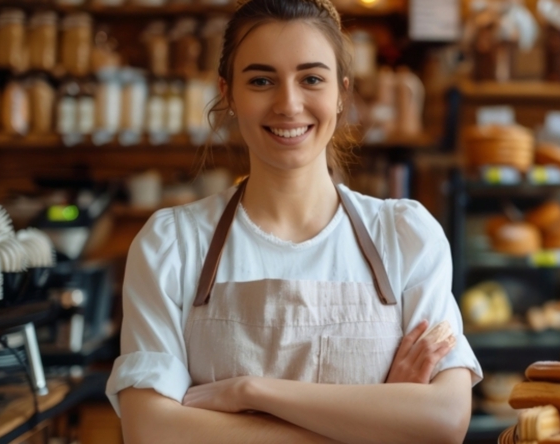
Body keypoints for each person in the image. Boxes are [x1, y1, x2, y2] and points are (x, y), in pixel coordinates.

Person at [104, 0, 483, 442]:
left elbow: (444, 421)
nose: (288, 104)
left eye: (312, 79)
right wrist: (377, 424)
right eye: (261, 80)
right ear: (228, 93)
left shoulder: (404, 236)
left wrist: (251, 391)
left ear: (341, 93)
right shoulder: (174, 244)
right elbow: (150, 430)